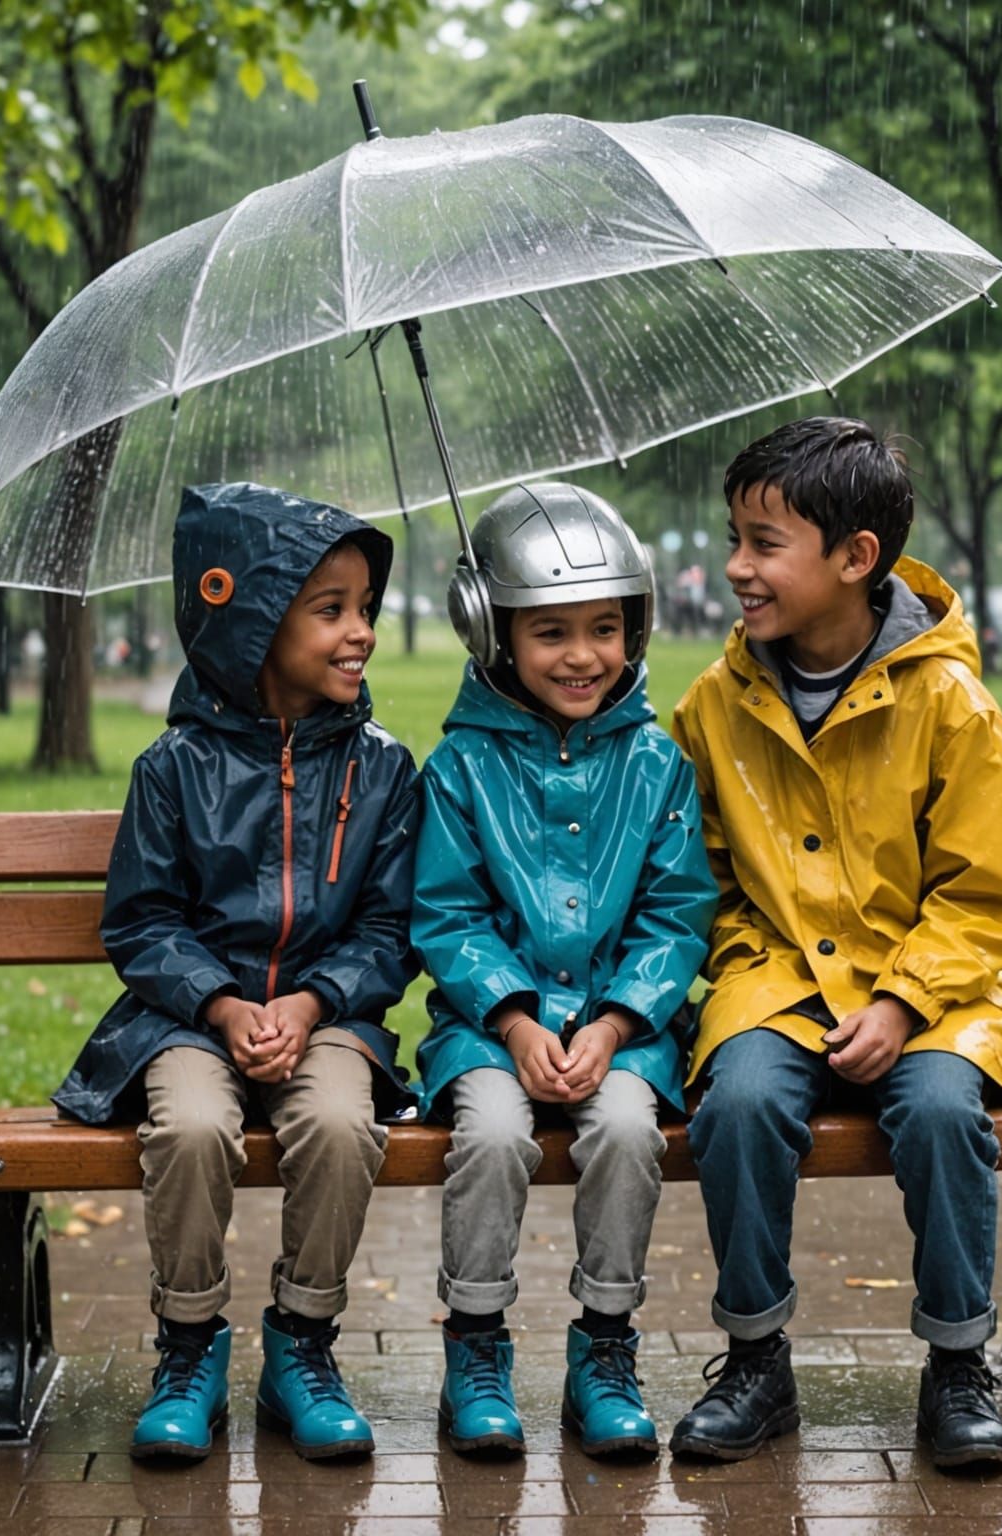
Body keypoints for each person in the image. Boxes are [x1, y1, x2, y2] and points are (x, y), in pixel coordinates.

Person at [667, 418, 1002, 1469]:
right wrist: (752, 962)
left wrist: (902, 1002)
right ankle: (754, 1359)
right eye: (734, 538)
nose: (737, 567)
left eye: (762, 542)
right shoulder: (716, 703)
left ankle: (958, 1365)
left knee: (936, 1111)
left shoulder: (949, 703)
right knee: (737, 1104)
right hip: (777, 984)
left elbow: (986, 896)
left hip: (934, 991)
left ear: (855, 558)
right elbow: (698, 880)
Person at [54, 483, 420, 1464]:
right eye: (331, 610)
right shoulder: (171, 769)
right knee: (188, 1125)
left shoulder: (383, 771)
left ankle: (302, 1344)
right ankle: (190, 1346)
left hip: (329, 1015)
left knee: (344, 1123)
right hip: (187, 1019)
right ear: (252, 624)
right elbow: (140, 920)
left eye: (367, 610)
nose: (362, 634)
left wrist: (309, 1001)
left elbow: (390, 929)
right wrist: (220, 1006)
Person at [413, 482, 717, 1460]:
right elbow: (447, 913)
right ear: (494, 633)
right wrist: (511, 1021)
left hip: (623, 1030)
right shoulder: (460, 768)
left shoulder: (657, 765)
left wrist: (617, 1023)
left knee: (628, 1128)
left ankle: (607, 1347)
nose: (582, 655)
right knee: (494, 1133)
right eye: (550, 632)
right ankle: (477, 1344)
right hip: (486, 1027)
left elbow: (677, 915)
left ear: (636, 628)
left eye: (603, 628)